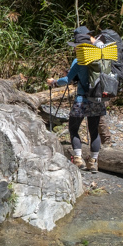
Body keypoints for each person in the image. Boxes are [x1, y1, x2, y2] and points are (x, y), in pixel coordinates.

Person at [47, 26, 106, 172]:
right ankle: (93, 162)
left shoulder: (78, 60)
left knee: (73, 128)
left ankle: (78, 159)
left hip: (82, 100)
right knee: (94, 131)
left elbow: (67, 79)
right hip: (97, 99)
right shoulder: (101, 58)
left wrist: (54, 82)